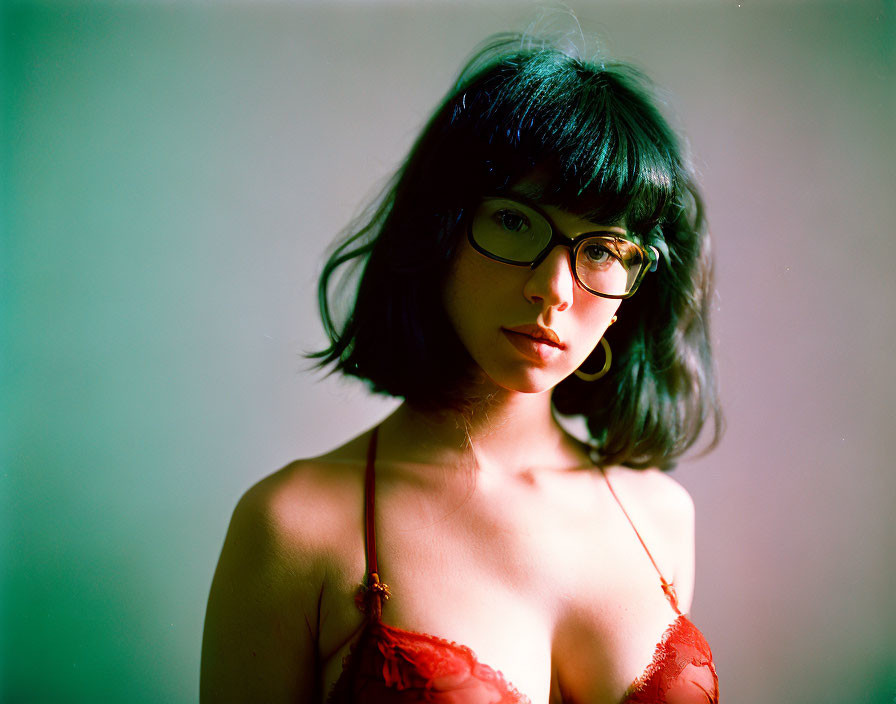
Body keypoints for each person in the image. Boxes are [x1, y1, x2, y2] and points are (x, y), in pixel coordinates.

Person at [201, 32, 723, 704]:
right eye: (514, 220)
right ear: (440, 232)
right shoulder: (294, 526)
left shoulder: (661, 515)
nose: (553, 290)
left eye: (602, 249)